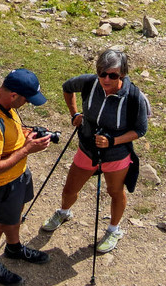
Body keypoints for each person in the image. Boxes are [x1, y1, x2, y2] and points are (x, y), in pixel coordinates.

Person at [37, 45, 150, 255]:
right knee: (70, 189)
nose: (106, 79)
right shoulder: (90, 82)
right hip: (87, 149)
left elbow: (140, 129)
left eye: (112, 75)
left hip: (116, 155)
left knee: (115, 192)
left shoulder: (134, 97)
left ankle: (113, 230)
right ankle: (63, 212)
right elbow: (67, 87)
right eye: (102, 74)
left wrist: (113, 141)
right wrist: (74, 114)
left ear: (122, 74)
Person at [0, 67, 55, 286]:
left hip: (18, 176)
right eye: (27, 100)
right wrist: (27, 150)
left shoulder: (3, 102)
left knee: (15, 214)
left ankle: (14, 248)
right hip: (1, 184)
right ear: (14, 95)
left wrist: (28, 135)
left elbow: (10, 134)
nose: (27, 104)